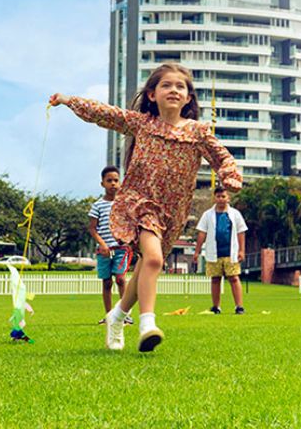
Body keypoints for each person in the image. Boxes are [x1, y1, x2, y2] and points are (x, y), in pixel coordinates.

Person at [49, 63, 242, 353]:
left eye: (180, 87)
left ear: (188, 98)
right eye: (166, 85)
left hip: (172, 211)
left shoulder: (198, 132)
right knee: (153, 259)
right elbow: (105, 114)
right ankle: (147, 324)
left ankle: (117, 316)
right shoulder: (142, 123)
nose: (174, 90)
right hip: (139, 203)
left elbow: (222, 158)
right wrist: (67, 100)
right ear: (152, 94)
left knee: (145, 268)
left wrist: (230, 176)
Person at [193, 186, 247, 314]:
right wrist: (197, 251)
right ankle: (216, 306)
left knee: (234, 278)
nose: (221, 199)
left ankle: (239, 306)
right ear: (214, 198)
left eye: (223, 196)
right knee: (215, 279)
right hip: (214, 252)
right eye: (218, 196)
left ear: (228, 198)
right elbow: (202, 233)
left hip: (230, 252)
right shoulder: (207, 215)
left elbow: (241, 232)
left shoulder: (235, 214)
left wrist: (241, 250)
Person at [88, 166, 131, 324]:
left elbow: (129, 224)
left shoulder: (124, 204)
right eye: (109, 180)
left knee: (120, 279)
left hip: (121, 248)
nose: (113, 183)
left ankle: (124, 314)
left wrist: (127, 240)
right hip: (105, 250)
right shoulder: (98, 205)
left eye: (115, 180)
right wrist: (102, 244)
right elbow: (92, 228)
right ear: (102, 183)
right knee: (107, 282)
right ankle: (109, 315)